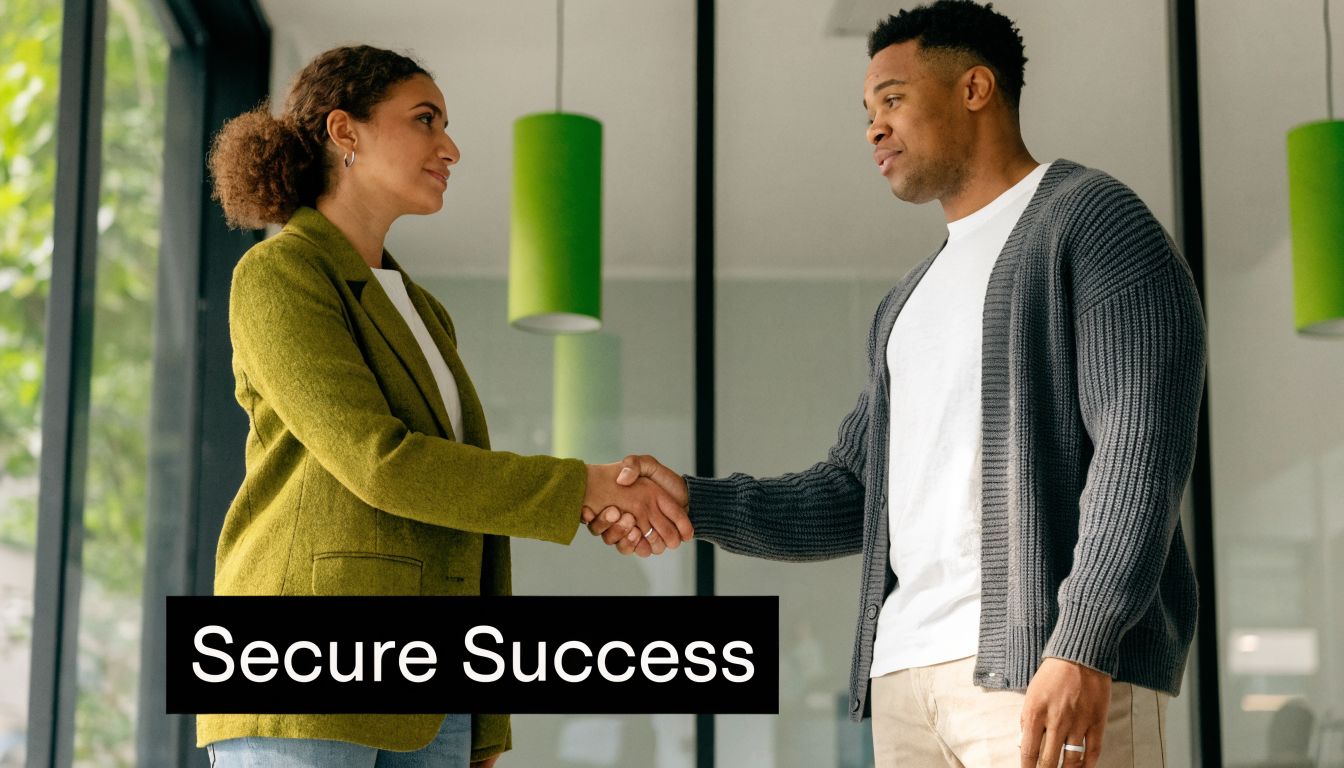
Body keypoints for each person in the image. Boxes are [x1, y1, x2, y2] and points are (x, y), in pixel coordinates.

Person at [584, 2, 1205, 766]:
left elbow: (1139, 450)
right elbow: (854, 491)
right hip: (907, 680)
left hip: (1043, 670)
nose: (873, 128)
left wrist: (1082, 643)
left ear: (975, 88)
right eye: (867, 111)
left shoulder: (1092, 222)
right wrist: (694, 500)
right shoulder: (906, 302)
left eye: (893, 99)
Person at [200, 45, 692, 768]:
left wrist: (483, 713)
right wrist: (578, 484)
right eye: (425, 120)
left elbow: (460, 498)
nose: (450, 146)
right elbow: (381, 465)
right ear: (346, 132)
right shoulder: (279, 273)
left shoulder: (424, 312)